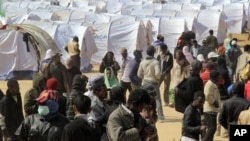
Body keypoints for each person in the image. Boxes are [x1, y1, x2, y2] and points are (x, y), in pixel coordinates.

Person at [138, 45, 165, 122]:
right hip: (153, 83)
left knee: (144, 100)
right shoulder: (155, 62)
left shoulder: (142, 62)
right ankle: (160, 117)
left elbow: (139, 75)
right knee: (157, 99)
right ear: (153, 53)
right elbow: (158, 74)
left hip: (145, 82)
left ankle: (143, 115)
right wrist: (158, 78)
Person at [202, 70, 221, 141]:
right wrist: (214, 102)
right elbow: (207, 95)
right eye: (218, 76)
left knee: (212, 128)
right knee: (212, 128)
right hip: (209, 109)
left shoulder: (213, 84)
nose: (219, 78)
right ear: (215, 77)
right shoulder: (209, 84)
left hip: (213, 110)